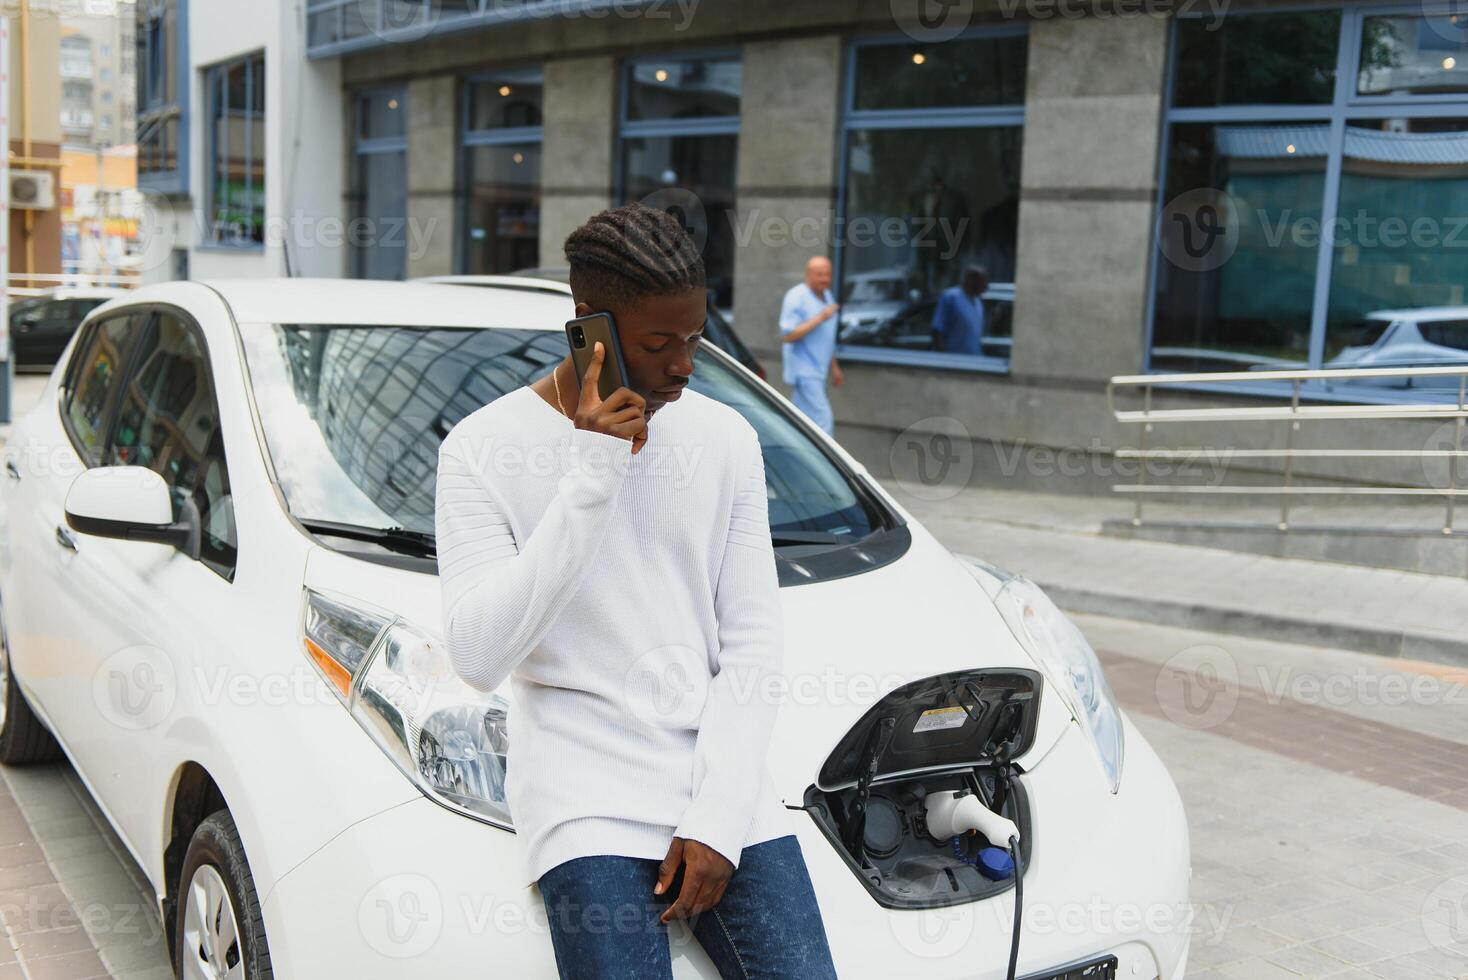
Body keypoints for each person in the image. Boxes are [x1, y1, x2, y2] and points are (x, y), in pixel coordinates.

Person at [434, 202, 839, 980]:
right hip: (583, 795)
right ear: (591, 325)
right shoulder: (482, 449)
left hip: (723, 784)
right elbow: (479, 654)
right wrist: (593, 469)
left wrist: (720, 817)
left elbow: (752, 642)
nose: (685, 365)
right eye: (659, 345)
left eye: (694, 338)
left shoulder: (726, 438)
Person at [779, 256, 844, 435]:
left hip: (819, 370)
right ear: (808, 275)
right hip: (804, 371)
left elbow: (826, 336)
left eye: (828, 274)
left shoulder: (827, 296)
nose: (825, 279)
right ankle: (826, 462)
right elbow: (788, 336)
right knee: (824, 420)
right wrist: (821, 317)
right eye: (819, 274)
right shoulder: (796, 297)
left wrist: (834, 367)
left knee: (799, 422)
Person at [931, 265, 989, 355]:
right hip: (955, 362)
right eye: (982, 281)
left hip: (974, 361)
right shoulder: (952, 297)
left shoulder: (978, 302)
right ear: (971, 280)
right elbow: (937, 330)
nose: (985, 286)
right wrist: (943, 359)